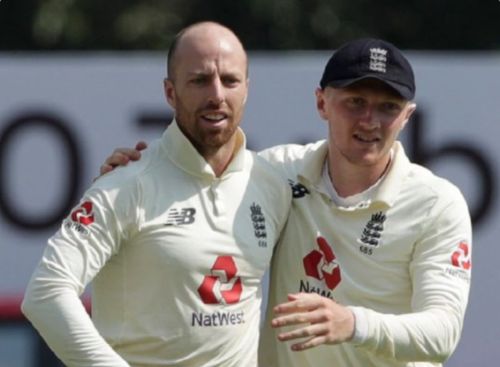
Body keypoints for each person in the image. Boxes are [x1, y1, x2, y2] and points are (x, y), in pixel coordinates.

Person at [98, 38, 472, 367]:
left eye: (388, 107)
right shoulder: (275, 173)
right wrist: (132, 179)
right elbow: (195, 187)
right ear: (322, 102)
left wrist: (352, 323)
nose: (370, 120)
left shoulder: (437, 204)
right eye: (355, 102)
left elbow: (442, 333)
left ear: (407, 116)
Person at [21, 21, 291, 367]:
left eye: (230, 80)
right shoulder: (125, 185)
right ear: (170, 92)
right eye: (199, 80)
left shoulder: (272, 182)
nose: (217, 95)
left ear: (247, 89)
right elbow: (45, 292)